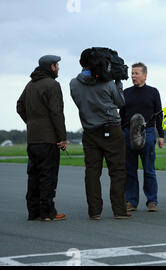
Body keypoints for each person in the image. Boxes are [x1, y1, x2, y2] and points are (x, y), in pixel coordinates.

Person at [69, 48, 130, 220]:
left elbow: (79, 102)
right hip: (111, 128)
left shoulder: (74, 83)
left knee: (92, 171)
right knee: (117, 170)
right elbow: (120, 102)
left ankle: (94, 210)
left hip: (89, 131)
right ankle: (119, 210)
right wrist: (118, 82)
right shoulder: (108, 83)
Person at [17, 55, 67, 221]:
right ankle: (47, 212)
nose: (59, 68)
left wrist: (31, 122)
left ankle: (34, 211)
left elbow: (19, 106)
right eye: (57, 65)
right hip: (48, 139)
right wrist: (62, 137)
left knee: (34, 175)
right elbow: (56, 112)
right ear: (52, 67)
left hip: (33, 139)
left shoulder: (30, 85)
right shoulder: (53, 85)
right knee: (48, 175)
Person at [119, 62, 164, 212]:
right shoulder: (126, 93)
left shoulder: (153, 92)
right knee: (130, 170)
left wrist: (161, 135)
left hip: (148, 133)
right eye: (132, 73)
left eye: (136, 73)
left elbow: (159, 115)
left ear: (144, 75)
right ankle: (131, 201)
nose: (133, 76)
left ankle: (152, 201)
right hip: (128, 134)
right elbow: (122, 115)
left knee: (149, 169)